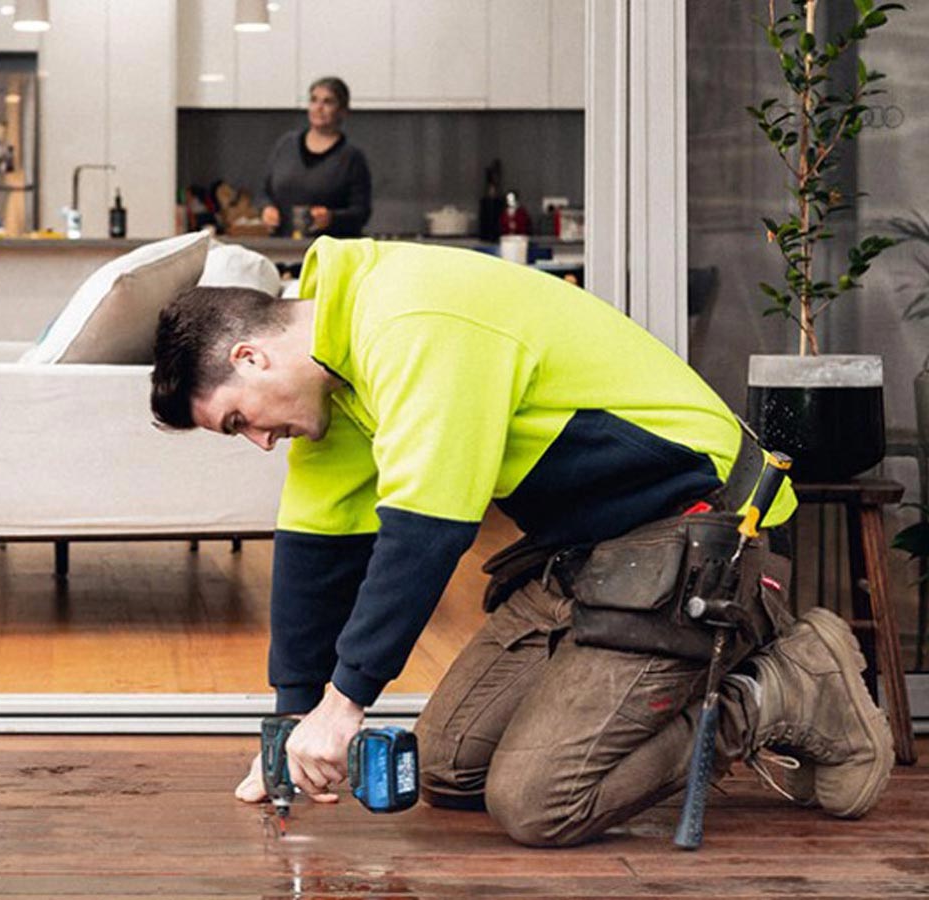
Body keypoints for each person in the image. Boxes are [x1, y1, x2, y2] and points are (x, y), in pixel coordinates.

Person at [149, 237, 893, 847]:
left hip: (702, 529)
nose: (258, 442)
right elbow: (317, 547)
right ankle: (617, 683)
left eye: (238, 421)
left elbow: (424, 534)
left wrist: (343, 708)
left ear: (251, 358)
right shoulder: (337, 378)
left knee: (538, 802)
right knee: (445, 768)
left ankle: (778, 688)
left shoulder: (410, 322)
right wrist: (290, 723)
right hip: (593, 554)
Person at [259, 77, 372, 239]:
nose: (319, 108)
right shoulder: (286, 145)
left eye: (328, 102)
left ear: (342, 110)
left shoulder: (352, 157)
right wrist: (266, 209)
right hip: (283, 248)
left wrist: (332, 218)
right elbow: (264, 192)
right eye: (314, 100)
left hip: (330, 253)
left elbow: (361, 212)